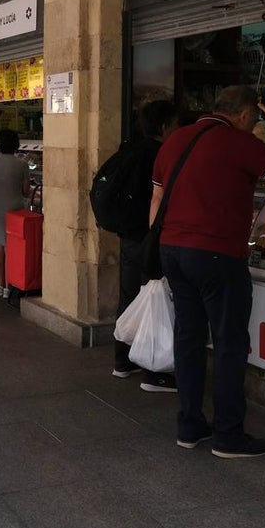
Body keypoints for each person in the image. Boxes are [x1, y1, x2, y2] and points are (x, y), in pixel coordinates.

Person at [151, 85, 265, 459]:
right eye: (255, 120)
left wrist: (164, 246)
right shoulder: (237, 141)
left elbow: (156, 198)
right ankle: (228, 435)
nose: (254, 127)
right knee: (229, 344)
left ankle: (189, 426)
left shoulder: (175, 140)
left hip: (173, 250)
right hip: (216, 254)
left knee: (188, 338)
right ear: (246, 115)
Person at [111, 100, 179, 392]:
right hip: (150, 236)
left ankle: (123, 362)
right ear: (165, 127)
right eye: (176, 124)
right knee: (155, 299)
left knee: (130, 297)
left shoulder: (129, 149)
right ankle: (154, 372)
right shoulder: (161, 154)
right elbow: (157, 198)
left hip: (129, 236)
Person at [0, 128, 31, 299]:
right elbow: (26, 191)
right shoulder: (22, 164)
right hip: (15, 209)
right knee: (11, 248)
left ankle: (0, 285)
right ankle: (10, 285)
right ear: (16, 144)